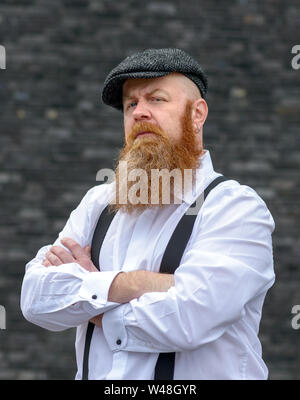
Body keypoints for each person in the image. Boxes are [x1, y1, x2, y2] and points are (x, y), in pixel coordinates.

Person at [20, 48, 275, 380]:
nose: (139, 112)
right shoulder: (99, 202)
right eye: (130, 104)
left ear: (197, 114)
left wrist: (89, 296)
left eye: (156, 99)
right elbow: (35, 298)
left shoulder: (235, 207)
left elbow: (188, 318)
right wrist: (139, 284)